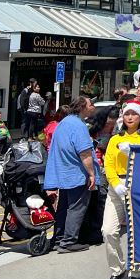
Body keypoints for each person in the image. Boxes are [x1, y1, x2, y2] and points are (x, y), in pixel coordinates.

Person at [102, 102, 140, 279]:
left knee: (136, 231)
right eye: (127, 114)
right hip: (117, 187)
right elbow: (108, 162)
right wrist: (115, 183)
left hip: (139, 187)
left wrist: (133, 152)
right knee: (108, 230)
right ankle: (117, 270)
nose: (130, 117)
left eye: (134, 114)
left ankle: (136, 271)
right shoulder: (114, 139)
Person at [44, 97, 98, 253]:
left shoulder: (64, 123)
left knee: (63, 207)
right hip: (76, 172)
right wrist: (91, 174)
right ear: (82, 107)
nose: (92, 107)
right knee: (76, 207)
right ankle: (69, 241)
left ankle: (59, 238)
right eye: (90, 104)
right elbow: (85, 152)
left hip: (63, 172)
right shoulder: (79, 125)